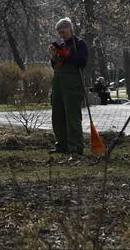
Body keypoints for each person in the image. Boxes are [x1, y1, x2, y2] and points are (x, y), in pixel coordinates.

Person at [48, 17, 88, 155]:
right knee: (57, 115)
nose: (61, 35)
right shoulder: (62, 46)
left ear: (70, 29)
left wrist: (67, 55)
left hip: (72, 85)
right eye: (59, 33)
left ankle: (76, 146)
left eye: (63, 32)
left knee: (72, 116)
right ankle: (62, 145)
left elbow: (82, 61)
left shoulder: (80, 44)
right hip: (58, 83)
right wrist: (54, 57)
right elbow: (56, 66)